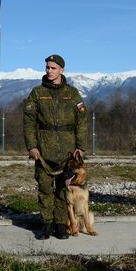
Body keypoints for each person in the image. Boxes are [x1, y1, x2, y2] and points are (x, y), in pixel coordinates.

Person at [23, 54, 88, 239]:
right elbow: (28, 122)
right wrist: (32, 146)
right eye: (47, 68)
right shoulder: (37, 93)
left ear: (61, 70)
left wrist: (80, 147)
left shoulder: (72, 93)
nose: (49, 71)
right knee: (44, 188)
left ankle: (60, 224)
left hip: (67, 152)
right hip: (43, 150)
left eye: (53, 68)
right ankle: (46, 224)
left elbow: (82, 121)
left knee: (62, 189)